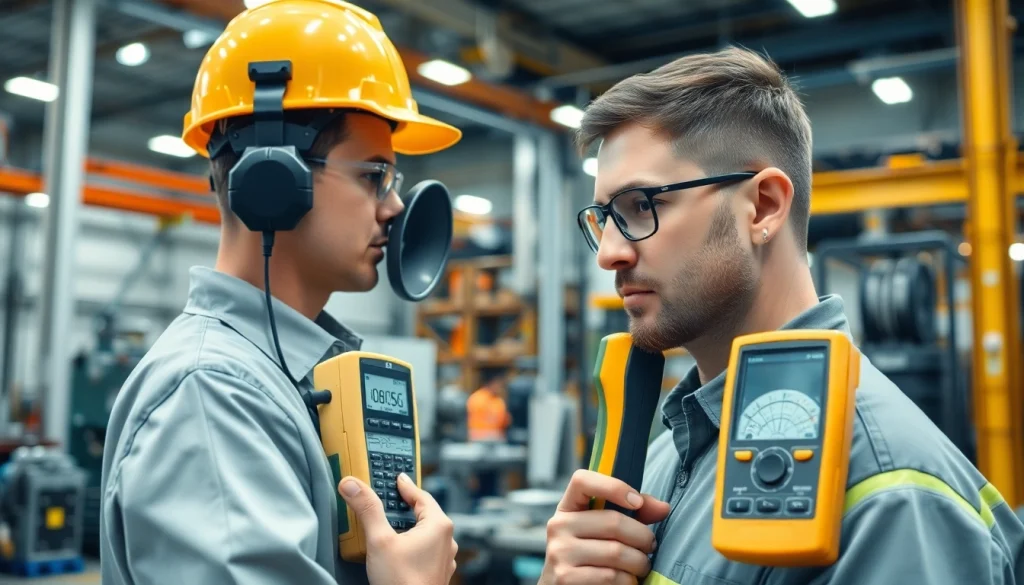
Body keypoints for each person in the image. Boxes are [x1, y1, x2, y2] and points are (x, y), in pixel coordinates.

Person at [540, 46, 1024, 585]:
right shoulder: (670, 452)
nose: (609, 253)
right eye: (603, 217)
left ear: (764, 206)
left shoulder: (889, 498)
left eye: (640, 205)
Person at [98, 2, 463, 584]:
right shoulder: (213, 395)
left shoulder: (292, 375)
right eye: (374, 175)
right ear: (272, 177)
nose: (395, 206)